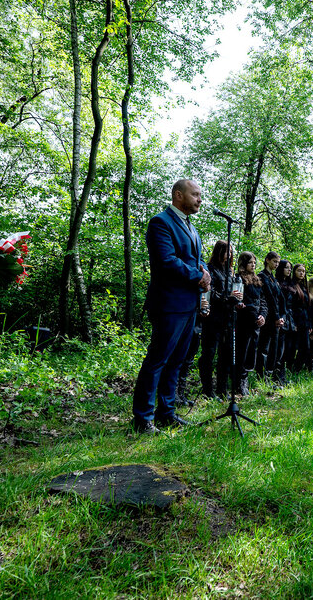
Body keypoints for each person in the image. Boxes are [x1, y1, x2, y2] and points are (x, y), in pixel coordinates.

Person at [131, 178, 211, 434]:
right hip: (169, 303)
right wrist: (198, 276)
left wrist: (205, 272)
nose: (200, 200)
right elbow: (167, 261)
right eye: (195, 195)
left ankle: (166, 413)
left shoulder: (191, 227)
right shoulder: (161, 222)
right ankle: (143, 419)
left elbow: (198, 260)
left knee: (177, 361)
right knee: (157, 360)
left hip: (190, 304)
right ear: (178, 195)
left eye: (200, 195)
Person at [198, 240, 241, 398]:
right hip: (213, 317)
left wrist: (236, 300)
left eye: (231, 251)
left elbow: (234, 292)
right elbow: (210, 291)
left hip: (228, 317)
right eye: (226, 251)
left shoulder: (230, 271)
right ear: (219, 251)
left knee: (226, 354)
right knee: (209, 353)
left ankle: (222, 389)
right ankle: (207, 390)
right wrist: (226, 298)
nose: (229, 254)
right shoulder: (210, 269)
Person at [234, 251, 266, 395]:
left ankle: (245, 379)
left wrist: (263, 315)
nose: (253, 265)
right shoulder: (238, 278)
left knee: (252, 352)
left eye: (254, 262)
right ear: (244, 263)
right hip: (244, 321)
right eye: (250, 262)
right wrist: (255, 315)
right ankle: (238, 382)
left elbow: (263, 301)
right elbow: (243, 301)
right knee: (242, 351)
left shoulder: (257, 280)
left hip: (256, 323)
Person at [257, 252, 288, 386]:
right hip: (268, 318)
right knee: (264, 348)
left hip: (277, 319)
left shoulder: (273, 279)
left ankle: (269, 377)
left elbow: (281, 299)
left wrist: (282, 317)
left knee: (274, 350)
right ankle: (261, 377)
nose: (276, 264)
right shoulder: (261, 276)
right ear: (267, 260)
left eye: (278, 262)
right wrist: (276, 317)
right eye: (274, 261)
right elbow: (269, 298)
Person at [283, 263, 311, 376]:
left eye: (303, 271)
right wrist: (293, 323)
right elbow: (290, 306)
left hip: (304, 321)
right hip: (294, 321)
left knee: (306, 347)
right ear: (294, 272)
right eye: (299, 271)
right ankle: (289, 370)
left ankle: (296, 370)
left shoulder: (304, 287)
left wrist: (309, 324)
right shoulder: (291, 285)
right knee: (292, 348)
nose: (301, 273)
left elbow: (307, 307)